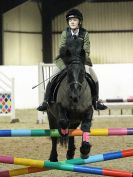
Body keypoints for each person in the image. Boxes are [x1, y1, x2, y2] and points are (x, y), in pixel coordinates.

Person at [37, 9, 107, 111]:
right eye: (70, 20)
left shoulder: (85, 34)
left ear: (79, 21)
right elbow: (62, 49)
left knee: (94, 77)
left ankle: (95, 101)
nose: (72, 22)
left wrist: (79, 59)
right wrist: (68, 62)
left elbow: (86, 50)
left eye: (74, 20)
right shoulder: (65, 33)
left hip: (81, 61)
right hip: (65, 62)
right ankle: (46, 101)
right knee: (53, 76)